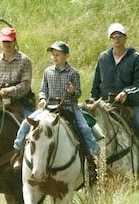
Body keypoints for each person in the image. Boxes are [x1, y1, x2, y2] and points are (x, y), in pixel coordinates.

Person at [13, 41, 99, 169]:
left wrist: (72, 92)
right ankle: (17, 152)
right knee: (27, 123)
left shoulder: (73, 73)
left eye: (58, 55)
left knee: (84, 128)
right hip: (50, 107)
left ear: (66, 56)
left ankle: (93, 157)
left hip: (70, 107)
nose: (54, 57)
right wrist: (42, 99)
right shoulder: (48, 72)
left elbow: (79, 93)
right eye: (53, 55)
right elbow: (43, 90)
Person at [91, 23, 139, 168]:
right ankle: (90, 171)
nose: (117, 39)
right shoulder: (103, 58)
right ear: (109, 39)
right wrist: (93, 101)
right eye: (113, 36)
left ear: (125, 37)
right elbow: (96, 84)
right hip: (105, 105)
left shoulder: (135, 58)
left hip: (131, 105)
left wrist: (126, 93)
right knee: (89, 132)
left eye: (119, 36)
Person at [0, 26, 35, 119]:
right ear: (0, 42)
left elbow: (26, 85)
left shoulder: (24, 60)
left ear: (15, 41)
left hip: (21, 102)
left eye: (9, 41)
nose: (7, 44)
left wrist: (8, 91)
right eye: (4, 41)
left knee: (32, 125)